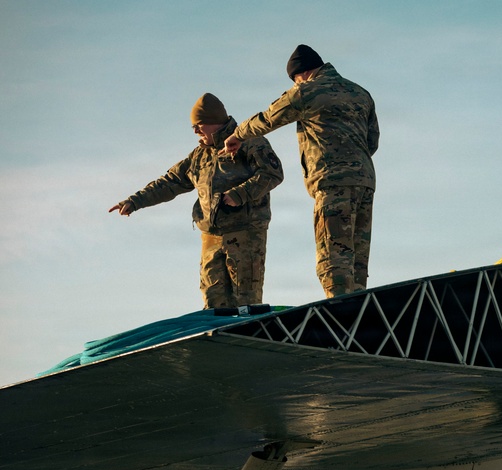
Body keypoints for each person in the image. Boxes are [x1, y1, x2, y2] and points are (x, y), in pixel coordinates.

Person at [222, 44, 379, 298]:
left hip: (331, 182)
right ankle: (358, 308)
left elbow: (270, 117)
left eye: (295, 80)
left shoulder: (307, 92)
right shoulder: (361, 93)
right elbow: (372, 141)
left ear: (301, 74)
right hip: (365, 182)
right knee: (357, 258)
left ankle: (340, 313)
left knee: (334, 254)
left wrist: (238, 135)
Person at [110, 93, 283, 309]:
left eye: (199, 125)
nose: (195, 131)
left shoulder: (249, 142)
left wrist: (240, 194)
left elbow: (272, 174)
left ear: (215, 123)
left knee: (245, 301)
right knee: (212, 305)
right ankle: (215, 341)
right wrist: (135, 201)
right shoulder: (199, 156)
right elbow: (170, 182)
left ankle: (246, 340)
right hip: (210, 238)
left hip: (244, 233)